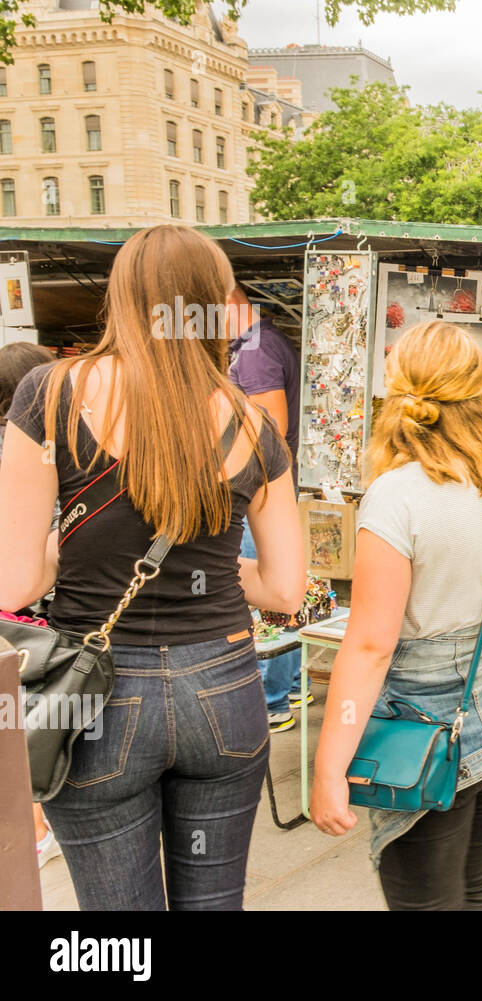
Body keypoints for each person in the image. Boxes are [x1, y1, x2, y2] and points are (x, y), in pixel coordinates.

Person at [0, 224, 305, 910]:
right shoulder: (250, 421)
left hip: (95, 696)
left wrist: (80, 546)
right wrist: (223, 575)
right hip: (223, 691)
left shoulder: (51, 393)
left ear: (121, 297)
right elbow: (285, 587)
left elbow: (14, 583)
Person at [310, 320, 482, 911]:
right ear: (481, 393)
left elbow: (371, 645)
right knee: (478, 885)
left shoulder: (395, 496)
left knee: (424, 899)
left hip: (421, 727)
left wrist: (329, 767)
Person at [226, 285, 306, 733]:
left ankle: (273, 699)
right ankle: (289, 686)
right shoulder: (263, 343)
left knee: (267, 595)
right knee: (281, 592)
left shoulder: (254, 352)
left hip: (258, 496)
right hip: (269, 493)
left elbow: (269, 428)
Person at [0, 341, 62, 869]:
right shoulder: (78, 440)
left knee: (14, 723)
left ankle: (37, 826)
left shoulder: (13, 446)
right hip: (67, 612)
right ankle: (50, 820)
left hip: (17, 612)